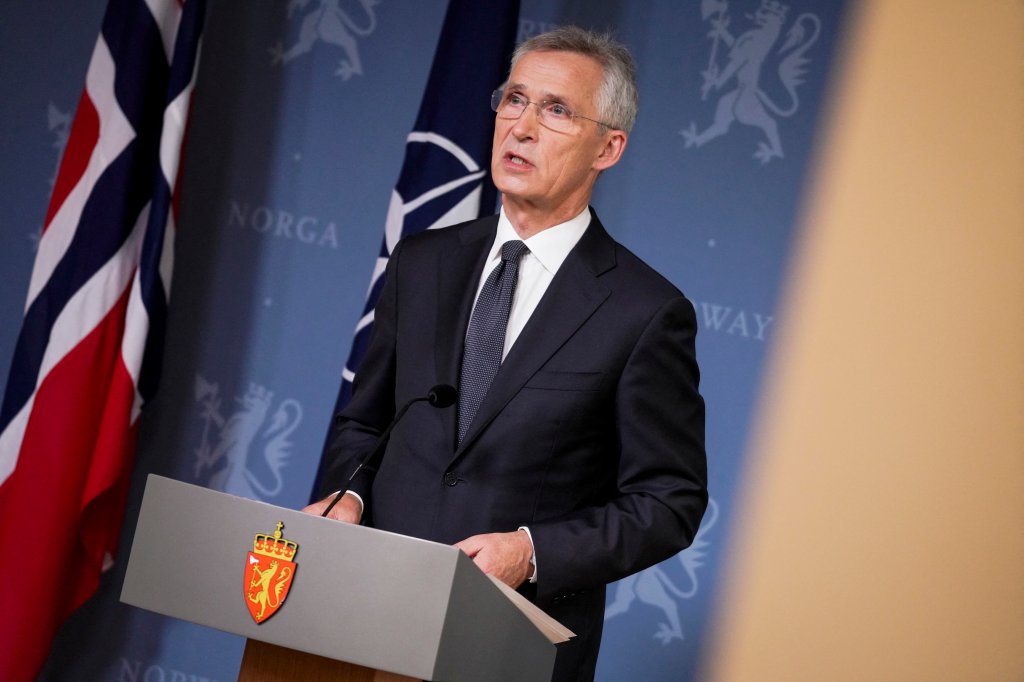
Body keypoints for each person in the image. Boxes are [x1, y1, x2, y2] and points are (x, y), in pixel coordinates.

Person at [304, 26, 707, 682]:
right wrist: (347, 495)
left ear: (609, 147)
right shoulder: (422, 261)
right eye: (513, 100)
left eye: (554, 110)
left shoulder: (645, 312)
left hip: (509, 644)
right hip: (363, 620)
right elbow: (365, 423)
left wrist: (532, 551)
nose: (520, 128)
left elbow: (669, 501)